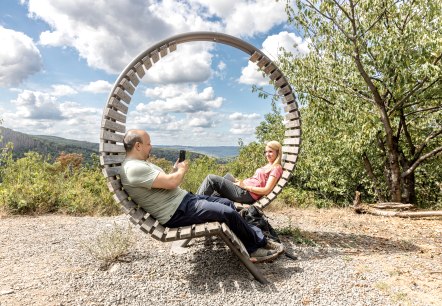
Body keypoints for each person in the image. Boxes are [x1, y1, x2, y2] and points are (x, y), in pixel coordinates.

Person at [119, 129, 283, 262]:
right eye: (148, 144)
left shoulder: (139, 165)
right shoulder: (133, 168)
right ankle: (255, 248)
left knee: (227, 203)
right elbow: (171, 183)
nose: (151, 147)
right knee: (227, 213)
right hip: (176, 211)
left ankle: (255, 237)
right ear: (138, 146)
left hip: (182, 202)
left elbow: (163, 183)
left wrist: (175, 171)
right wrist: (181, 170)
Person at [197, 141, 283, 204]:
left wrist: (245, 186)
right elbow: (257, 180)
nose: (267, 154)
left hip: (246, 194)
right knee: (228, 176)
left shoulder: (276, 168)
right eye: (266, 152)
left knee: (211, 179)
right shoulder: (269, 165)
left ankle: (195, 204)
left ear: (278, 152)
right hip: (244, 190)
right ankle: (207, 203)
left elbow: (266, 190)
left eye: (270, 151)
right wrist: (241, 182)